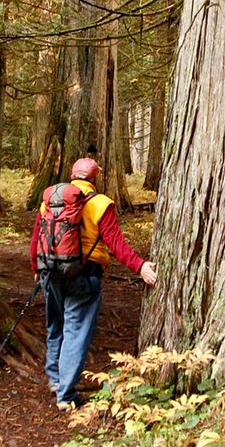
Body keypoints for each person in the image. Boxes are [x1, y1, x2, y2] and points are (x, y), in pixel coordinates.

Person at [30, 157, 157, 410]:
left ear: (74, 176)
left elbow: (37, 238)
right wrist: (140, 266)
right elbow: (116, 244)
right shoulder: (101, 204)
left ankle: (55, 380)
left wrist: (36, 268)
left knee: (55, 325)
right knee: (75, 331)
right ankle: (66, 395)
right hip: (84, 275)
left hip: (50, 273)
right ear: (95, 178)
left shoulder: (51, 200)